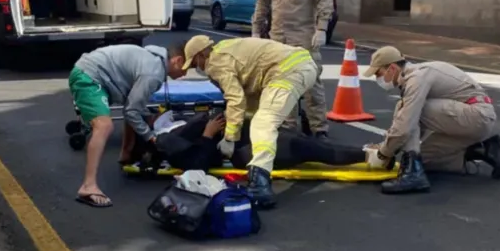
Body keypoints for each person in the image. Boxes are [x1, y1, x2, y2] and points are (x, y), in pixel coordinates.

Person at [182, 35, 319, 209]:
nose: (198, 68)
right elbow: (248, 96)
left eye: (194, 63)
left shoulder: (215, 63)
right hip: (294, 66)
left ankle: (260, 183)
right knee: (258, 119)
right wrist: (241, 122)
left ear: (201, 55)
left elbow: (236, 99)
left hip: (287, 72)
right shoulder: (225, 48)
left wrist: (230, 138)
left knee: (263, 122)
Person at [361, 46, 500, 195]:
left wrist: (383, 153)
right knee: (424, 159)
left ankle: (413, 175)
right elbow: (412, 130)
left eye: (378, 74)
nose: (378, 79)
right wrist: (388, 146)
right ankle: (484, 150)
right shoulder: (415, 75)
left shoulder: (417, 77)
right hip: (471, 120)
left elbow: (406, 124)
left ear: (392, 68)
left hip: (477, 114)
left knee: (407, 110)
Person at [69, 43, 186, 208]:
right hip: (89, 76)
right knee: (104, 126)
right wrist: (151, 137)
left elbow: (133, 107)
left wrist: (149, 120)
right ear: (178, 61)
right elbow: (131, 111)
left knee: (139, 112)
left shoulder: (154, 60)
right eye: (188, 68)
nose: (185, 74)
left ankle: (126, 153)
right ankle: (88, 187)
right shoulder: (153, 73)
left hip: (96, 73)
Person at [252, 0, 334, 138]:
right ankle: (288, 128)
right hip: (278, 37)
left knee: (311, 84)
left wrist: (322, 29)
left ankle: (319, 129)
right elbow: (262, 1)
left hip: (304, 36)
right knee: (281, 84)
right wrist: (256, 31)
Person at [132, 109, 369, 173]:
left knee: (310, 145)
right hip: (245, 149)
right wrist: (208, 133)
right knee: (312, 149)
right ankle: (368, 155)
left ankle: (369, 152)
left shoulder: (170, 132)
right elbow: (196, 165)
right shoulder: (166, 141)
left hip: (247, 134)